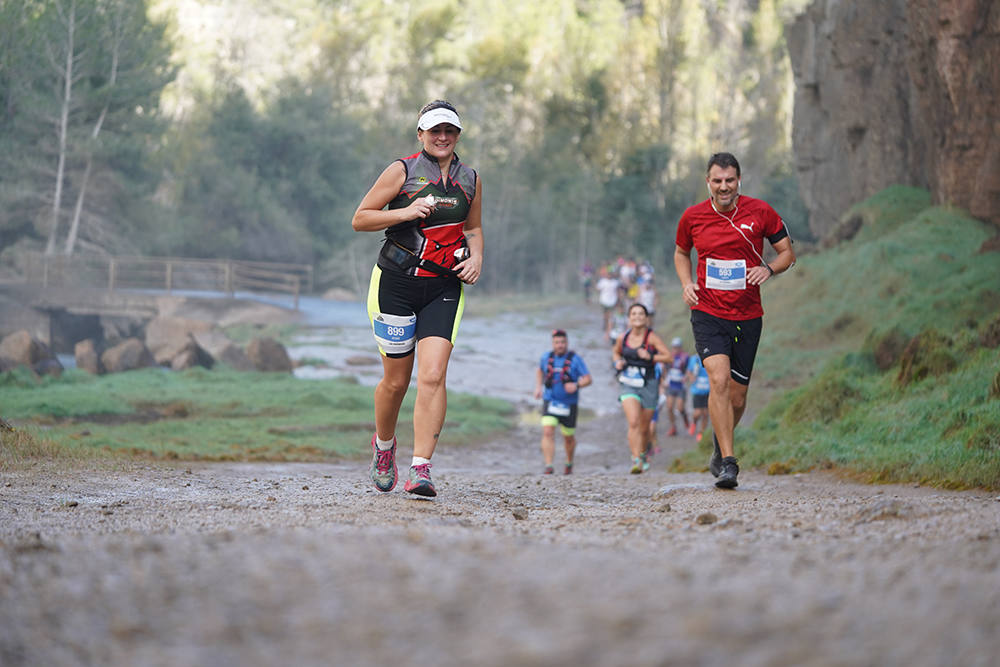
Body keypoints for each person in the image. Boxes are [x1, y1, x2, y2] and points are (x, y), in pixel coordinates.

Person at [352, 100, 484, 497]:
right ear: (421, 134)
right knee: (396, 382)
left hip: (443, 286)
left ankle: (421, 469)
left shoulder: (471, 179)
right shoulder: (402, 171)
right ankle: (384, 447)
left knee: (433, 375)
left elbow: (474, 229)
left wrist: (477, 257)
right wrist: (405, 213)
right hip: (395, 282)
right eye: (435, 131)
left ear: (457, 135)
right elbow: (361, 218)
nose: (442, 137)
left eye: (449, 131)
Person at [673, 152, 795, 488]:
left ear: (738, 180)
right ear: (708, 182)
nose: (723, 187)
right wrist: (687, 284)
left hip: (748, 315)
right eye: (717, 181)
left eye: (729, 180)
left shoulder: (761, 212)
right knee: (719, 381)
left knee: (738, 398)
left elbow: (788, 253)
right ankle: (729, 463)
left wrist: (768, 268)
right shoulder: (693, 217)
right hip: (708, 312)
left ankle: (717, 446)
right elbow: (682, 252)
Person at [612, 303, 671, 474]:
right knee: (634, 422)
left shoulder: (652, 338)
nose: (637, 317)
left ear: (646, 318)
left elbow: (668, 358)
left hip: (648, 384)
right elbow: (616, 352)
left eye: (640, 314)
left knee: (645, 428)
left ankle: (643, 452)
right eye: (634, 314)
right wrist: (618, 362)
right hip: (628, 382)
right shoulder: (622, 337)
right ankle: (636, 459)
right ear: (629, 318)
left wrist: (651, 356)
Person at [533, 329, 593, 474]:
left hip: (569, 404)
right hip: (550, 400)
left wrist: (576, 385)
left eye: (562, 342)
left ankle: (569, 462)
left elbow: (588, 379)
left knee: (568, 437)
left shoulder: (575, 359)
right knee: (547, 431)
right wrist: (538, 387)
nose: (560, 345)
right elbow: (540, 370)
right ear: (552, 343)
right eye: (557, 342)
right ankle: (549, 466)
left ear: (567, 343)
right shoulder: (546, 357)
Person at [663, 336, 690, 437]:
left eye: (677, 347)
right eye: (674, 347)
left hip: (680, 386)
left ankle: (685, 418)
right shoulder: (669, 357)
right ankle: (673, 427)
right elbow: (665, 369)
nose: (675, 349)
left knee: (680, 408)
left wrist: (686, 377)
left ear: (681, 347)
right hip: (671, 385)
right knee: (669, 407)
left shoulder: (685, 357)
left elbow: (689, 370)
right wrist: (664, 380)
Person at [685, 352, 711, 441]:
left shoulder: (711, 357)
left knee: (705, 414)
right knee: (697, 413)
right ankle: (694, 423)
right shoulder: (694, 359)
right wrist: (691, 376)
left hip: (708, 391)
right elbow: (688, 371)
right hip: (697, 391)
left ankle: (701, 432)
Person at [595, 266, 621, 339]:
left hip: (613, 301)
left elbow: (618, 291)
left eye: (610, 274)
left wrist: (618, 299)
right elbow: (598, 289)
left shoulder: (615, 282)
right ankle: (606, 325)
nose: (609, 275)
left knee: (611, 316)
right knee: (605, 315)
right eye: (608, 274)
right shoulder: (602, 281)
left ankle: (609, 328)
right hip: (604, 300)